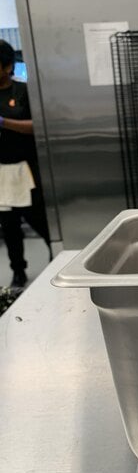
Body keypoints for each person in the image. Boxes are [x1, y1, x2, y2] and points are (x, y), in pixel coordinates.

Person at [0, 39, 51, 288]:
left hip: (27, 168)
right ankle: (18, 270)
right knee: (9, 226)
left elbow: (38, 125)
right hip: (1, 172)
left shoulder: (23, 91)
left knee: (39, 219)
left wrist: (4, 122)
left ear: (8, 66)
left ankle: (56, 256)